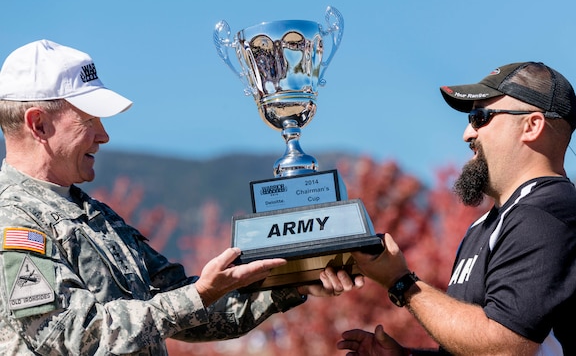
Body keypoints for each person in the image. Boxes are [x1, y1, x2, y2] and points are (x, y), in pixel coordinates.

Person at [0, 39, 364, 355]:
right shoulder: (11, 220)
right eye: (89, 120)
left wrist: (291, 281)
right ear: (38, 125)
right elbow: (74, 336)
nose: (104, 135)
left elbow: (186, 313)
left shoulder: (95, 216)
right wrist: (197, 296)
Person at [337, 62, 576, 355]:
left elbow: (503, 346)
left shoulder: (545, 213)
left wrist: (401, 282)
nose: (467, 134)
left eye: (480, 117)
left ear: (532, 126)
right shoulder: (489, 224)